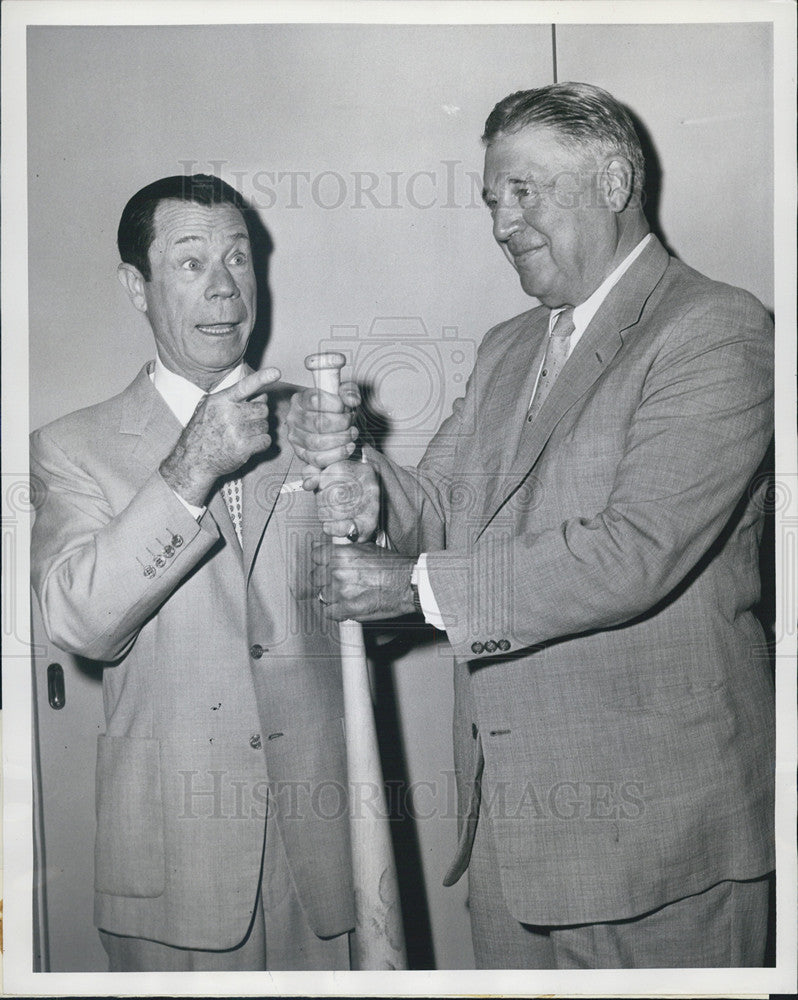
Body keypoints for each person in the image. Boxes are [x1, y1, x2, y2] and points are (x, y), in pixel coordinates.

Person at [287, 83, 775, 968]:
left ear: (616, 181)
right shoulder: (509, 346)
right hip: (513, 843)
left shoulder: (715, 330)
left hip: (662, 846)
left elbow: (634, 552)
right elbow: (437, 502)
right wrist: (365, 484)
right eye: (490, 200)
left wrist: (413, 586)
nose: (502, 223)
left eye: (524, 192)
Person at [30, 174, 355, 971]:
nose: (224, 288)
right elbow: (78, 622)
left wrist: (370, 498)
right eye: (190, 262)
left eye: (239, 259)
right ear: (135, 287)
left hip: (321, 859)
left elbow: (382, 584)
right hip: (174, 867)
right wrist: (188, 470)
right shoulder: (72, 447)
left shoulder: (312, 426)